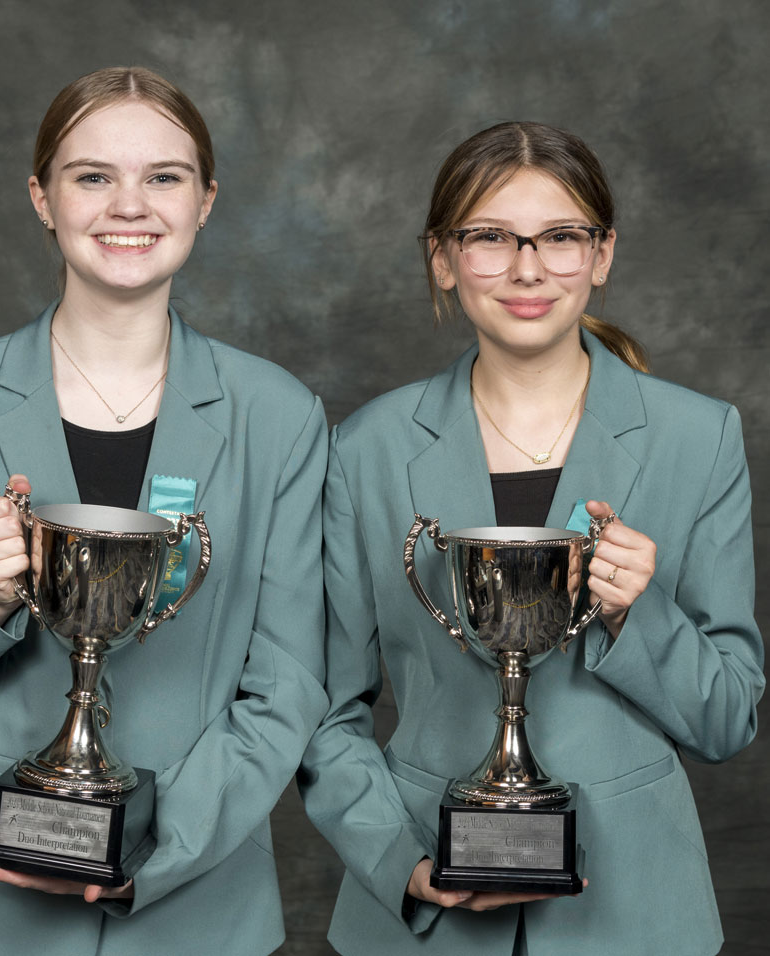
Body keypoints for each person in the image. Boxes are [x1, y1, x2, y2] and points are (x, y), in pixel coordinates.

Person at [0, 66, 328, 956]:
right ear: (42, 197)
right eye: (92, 175)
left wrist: (151, 849)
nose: (128, 206)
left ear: (206, 200)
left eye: (164, 177)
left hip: (188, 904)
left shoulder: (280, 415)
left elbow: (287, 686)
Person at [299, 122, 764, 956]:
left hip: (632, 913)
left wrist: (636, 614)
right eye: (489, 237)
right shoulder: (364, 449)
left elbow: (728, 719)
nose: (527, 268)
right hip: (421, 912)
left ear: (602, 254)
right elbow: (326, 713)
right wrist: (401, 863)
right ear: (442, 257)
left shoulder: (699, 438)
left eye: (559, 237)